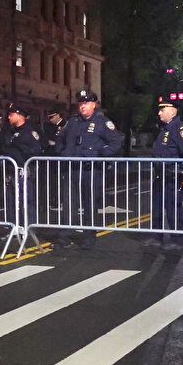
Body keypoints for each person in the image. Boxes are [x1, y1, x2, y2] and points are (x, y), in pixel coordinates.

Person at [56, 91, 122, 249]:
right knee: (69, 204)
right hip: (72, 169)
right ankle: (64, 236)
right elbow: (60, 139)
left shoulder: (102, 122)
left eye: (86, 103)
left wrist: (99, 154)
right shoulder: (72, 122)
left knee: (89, 204)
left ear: (93, 104)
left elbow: (115, 142)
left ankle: (88, 237)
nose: (83, 106)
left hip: (90, 170)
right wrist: (63, 153)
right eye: (80, 104)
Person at [149, 100, 183, 249]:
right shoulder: (165, 129)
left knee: (173, 207)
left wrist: (180, 170)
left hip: (173, 177)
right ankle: (157, 237)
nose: (159, 113)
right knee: (156, 206)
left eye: (162, 109)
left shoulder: (180, 129)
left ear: (173, 111)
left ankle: (177, 240)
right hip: (160, 174)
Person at [0, 103, 45, 228]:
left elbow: (35, 151)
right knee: (11, 201)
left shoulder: (29, 131)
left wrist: (17, 146)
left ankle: (29, 227)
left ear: (19, 115)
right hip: (11, 170)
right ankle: (14, 227)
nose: (9, 117)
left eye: (11, 115)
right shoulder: (9, 131)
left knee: (26, 201)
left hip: (24, 171)